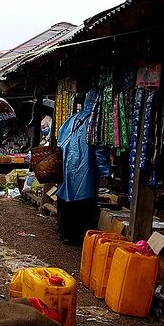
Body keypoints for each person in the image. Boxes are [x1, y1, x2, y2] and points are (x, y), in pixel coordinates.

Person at [57, 89, 110, 245]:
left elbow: (60, 137)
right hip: (85, 166)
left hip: (68, 163)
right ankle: (77, 236)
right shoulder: (95, 122)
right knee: (83, 199)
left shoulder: (73, 118)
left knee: (67, 197)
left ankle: (65, 233)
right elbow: (100, 150)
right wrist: (105, 172)